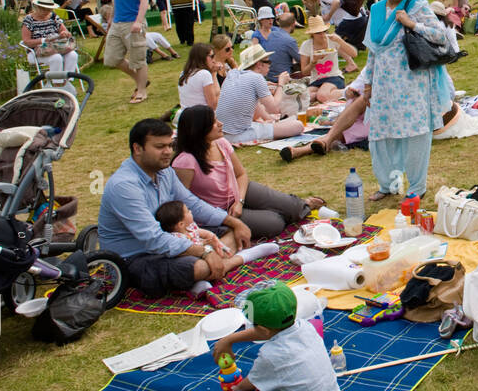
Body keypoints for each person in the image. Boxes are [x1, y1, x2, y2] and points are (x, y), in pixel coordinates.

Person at [97, 118, 252, 297]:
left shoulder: (164, 172)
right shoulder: (124, 186)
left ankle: (212, 267)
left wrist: (233, 222)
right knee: (198, 266)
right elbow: (153, 240)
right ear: (137, 148)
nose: (168, 152)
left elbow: (193, 204)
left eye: (170, 145)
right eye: (160, 147)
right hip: (135, 257)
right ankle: (231, 261)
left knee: (231, 232)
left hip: (171, 237)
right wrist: (205, 252)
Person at [350, 0, 451, 201]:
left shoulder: (418, 6)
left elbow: (440, 36)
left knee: (414, 134)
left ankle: (416, 187)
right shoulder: (375, 9)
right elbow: (373, 51)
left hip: (412, 81)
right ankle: (388, 184)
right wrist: (368, 84)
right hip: (384, 82)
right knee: (381, 136)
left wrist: (412, 24)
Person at [210, 283, 340, 391]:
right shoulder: (304, 326)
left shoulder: (272, 355)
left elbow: (244, 387)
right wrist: (229, 339)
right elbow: (265, 332)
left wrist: (233, 387)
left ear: (264, 329)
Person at [173, 104, 322, 239]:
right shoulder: (186, 161)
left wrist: (239, 201)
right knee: (274, 223)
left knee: (294, 207)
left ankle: (296, 208)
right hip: (221, 210)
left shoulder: (221, 143)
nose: (220, 124)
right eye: (213, 122)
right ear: (200, 129)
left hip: (240, 192)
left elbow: (241, 174)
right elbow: (183, 201)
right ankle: (282, 214)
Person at [216, 44, 305, 145]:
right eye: (268, 62)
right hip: (238, 134)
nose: (270, 65)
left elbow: (255, 108)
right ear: (259, 64)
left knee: (284, 122)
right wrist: (281, 84)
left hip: (222, 132)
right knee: (298, 126)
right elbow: (274, 109)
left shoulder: (233, 75)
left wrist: (270, 119)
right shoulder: (256, 78)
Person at [104, 0, 150, 105]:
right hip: (117, 23)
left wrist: (138, 22)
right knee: (111, 59)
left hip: (133, 22)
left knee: (138, 59)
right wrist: (111, 17)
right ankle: (141, 81)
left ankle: (142, 91)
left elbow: (144, 0)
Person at [20, 0, 80, 79]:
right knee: (56, 58)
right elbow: (26, 41)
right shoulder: (28, 20)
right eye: (44, 9)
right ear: (37, 7)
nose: (47, 12)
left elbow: (64, 31)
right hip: (37, 51)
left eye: (49, 9)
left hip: (57, 47)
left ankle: (67, 82)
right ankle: (57, 84)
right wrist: (43, 40)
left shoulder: (53, 17)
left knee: (73, 55)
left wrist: (64, 34)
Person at [299, 15, 358, 98]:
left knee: (322, 95)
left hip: (334, 76)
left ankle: (351, 91)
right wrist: (313, 62)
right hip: (316, 79)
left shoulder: (332, 40)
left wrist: (340, 41)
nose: (322, 35)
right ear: (312, 34)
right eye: (318, 32)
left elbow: (354, 54)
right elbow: (304, 72)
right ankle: (339, 93)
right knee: (304, 97)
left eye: (324, 31)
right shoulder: (306, 45)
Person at [253, 7, 301, 82]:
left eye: (271, 18)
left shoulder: (272, 34)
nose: (270, 21)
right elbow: (301, 60)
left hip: (269, 75)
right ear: (293, 24)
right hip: (282, 78)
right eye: (268, 18)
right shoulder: (289, 41)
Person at [178, 44, 221, 110]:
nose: (214, 60)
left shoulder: (183, 73)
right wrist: (214, 73)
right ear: (202, 57)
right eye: (212, 56)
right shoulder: (204, 74)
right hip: (202, 116)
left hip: (185, 115)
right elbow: (213, 105)